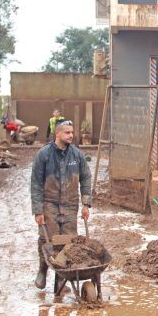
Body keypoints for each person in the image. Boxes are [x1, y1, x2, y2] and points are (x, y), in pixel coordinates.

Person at [31, 120, 92, 289]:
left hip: (70, 205)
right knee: (48, 240)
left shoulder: (77, 155)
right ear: (57, 134)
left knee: (68, 242)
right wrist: (38, 210)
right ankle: (42, 270)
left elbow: (86, 177)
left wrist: (86, 203)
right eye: (67, 132)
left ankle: (60, 279)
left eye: (72, 132)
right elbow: (35, 183)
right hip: (49, 204)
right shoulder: (44, 155)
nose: (71, 135)